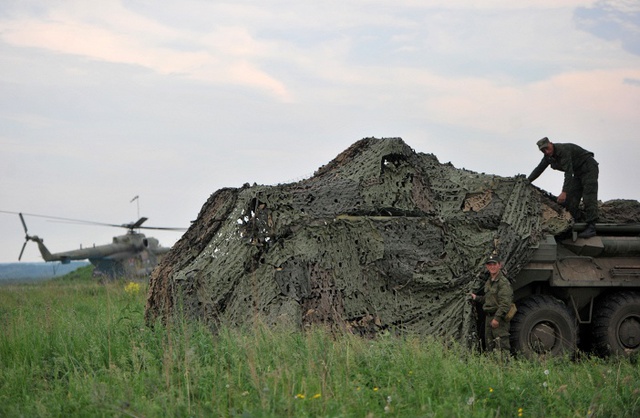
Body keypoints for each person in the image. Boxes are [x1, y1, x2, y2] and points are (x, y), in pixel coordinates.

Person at [527, 137, 599, 238]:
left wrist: (564, 192)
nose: (546, 152)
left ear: (551, 144)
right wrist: (527, 181)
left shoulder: (563, 150)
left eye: (547, 148)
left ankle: (591, 227)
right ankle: (576, 222)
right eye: (543, 150)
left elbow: (568, 173)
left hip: (588, 167)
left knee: (588, 196)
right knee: (571, 199)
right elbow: (539, 169)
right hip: (578, 172)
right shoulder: (548, 157)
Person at [471, 255, 513, 354]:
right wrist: (476, 298)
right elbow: (488, 299)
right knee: (490, 347)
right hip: (489, 318)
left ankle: (503, 368)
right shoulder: (489, 281)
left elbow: (505, 303)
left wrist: (497, 318)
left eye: (494, 264)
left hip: (498, 319)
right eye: (490, 265)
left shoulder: (503, 283)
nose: (492, 267)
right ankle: (493, 368)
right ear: (487, 267)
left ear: (499, 266)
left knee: (501, 347)